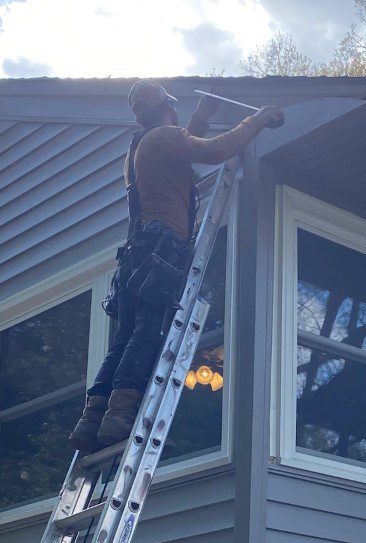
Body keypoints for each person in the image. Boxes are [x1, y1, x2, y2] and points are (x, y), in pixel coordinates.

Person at [69, 80, 284, 451]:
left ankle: (92, 420)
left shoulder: (142, 146)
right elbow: (217, 150)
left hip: (139, 250)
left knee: (124, 339)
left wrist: (201, 117)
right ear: (167, 107)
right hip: (161, 245)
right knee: (147, 332)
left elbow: (180, 149)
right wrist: (259, 119)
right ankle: (120, 415)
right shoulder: (163, 137)